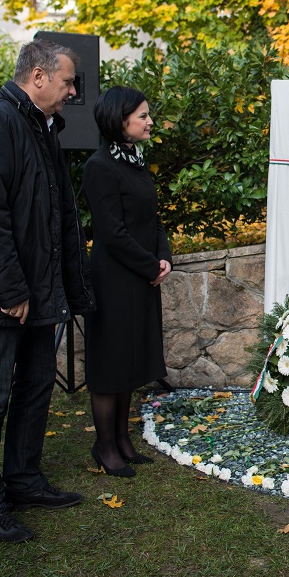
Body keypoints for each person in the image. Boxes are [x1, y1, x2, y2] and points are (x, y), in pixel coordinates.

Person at [0, 39, 95, 543]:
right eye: (69, 81)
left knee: (34, 387)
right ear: (39, 77)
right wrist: (10, 289)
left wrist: (60, 289)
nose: (74, 91)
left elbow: (53, 218)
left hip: (37, 291)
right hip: (1, 294)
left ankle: (24, 481)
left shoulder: (41, 128)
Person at [82, 86, 171, 478]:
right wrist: (150, 267)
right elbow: (112, 233)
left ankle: (121, 439)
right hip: (113, 279)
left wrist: (163, 256)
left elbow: (152, 218)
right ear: (120, 122)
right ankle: (104, 446)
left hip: (139, 276)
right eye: (143, 116)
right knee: (110, 363)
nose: (149, 121)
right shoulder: (99, 166)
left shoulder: (134, 160)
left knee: (130, 358)